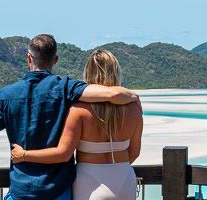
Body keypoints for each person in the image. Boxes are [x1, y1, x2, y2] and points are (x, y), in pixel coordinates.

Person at [0, 34, 139, 200]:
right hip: (59, 190)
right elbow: (110, 93)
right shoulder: (66, 88)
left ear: (29, 58)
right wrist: (134, 98)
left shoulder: (5, 95)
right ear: (55, 60)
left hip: (22, 190)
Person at [10, 50, 143, 200]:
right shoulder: (134, 108)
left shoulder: (79, 110)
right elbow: (134, 152)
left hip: (90, 181)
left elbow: (63, 153)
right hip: (124, 178)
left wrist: (24, 155)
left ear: (88, 73)